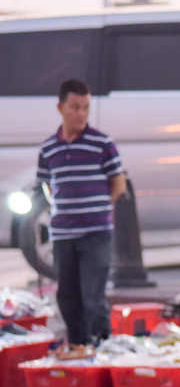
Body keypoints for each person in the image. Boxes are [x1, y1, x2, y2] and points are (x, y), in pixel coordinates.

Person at [37, 79, 126, 347]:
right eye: (75, 107)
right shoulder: (48, 148)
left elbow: (118, 184)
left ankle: (102, 343)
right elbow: (46, 183)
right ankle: (76, 344)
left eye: (85, 107)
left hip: (96, 232)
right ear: (60, 107)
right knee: (67, 295)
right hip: (63, 233)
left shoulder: (102, 143)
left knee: (93, 295)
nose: (81, 114)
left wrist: (99, 208)